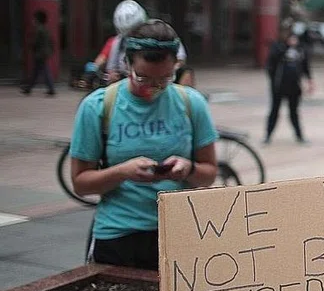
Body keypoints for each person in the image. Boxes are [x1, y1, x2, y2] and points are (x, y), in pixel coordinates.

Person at [69, 20, 218, 269]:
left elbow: (209, 173)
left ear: (176, 66)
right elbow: (80, 184)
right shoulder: (97, 106)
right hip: (118, 236)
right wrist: (123, 172)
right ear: (126, 64)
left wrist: (188, 169)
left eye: (165, 79)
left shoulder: (192, 104)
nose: (153, 88)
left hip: (179, 235)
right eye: (143, 78)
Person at [97, 0, 188, 81]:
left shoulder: (162, 32)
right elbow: (111, 69)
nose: (132, 38)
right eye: (128, 34)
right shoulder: (118, 42)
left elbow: (180, 59)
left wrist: (165, 73)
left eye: (134, 32)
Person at [264, 27, 314, 144]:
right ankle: (268, 135)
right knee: (274, 111)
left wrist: (309, 80)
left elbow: (305, 66)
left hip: (294, 87)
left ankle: (299, 135)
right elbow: (270, 65)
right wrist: (273, 80)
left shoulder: (300, 50)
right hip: (279, 86)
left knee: (294, 112)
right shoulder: (278, 48)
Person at [21, 10, 56, 96]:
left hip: (40, 53)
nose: (33, 20)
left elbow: (35, 42)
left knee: (43, 71)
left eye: (34, 19)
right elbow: (51, 42)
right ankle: (28, 88)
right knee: (36, 72)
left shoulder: (38, 29)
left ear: (37, 19)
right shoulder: (46, 29)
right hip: (44, 53)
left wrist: (30, 45)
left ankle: (50, 89)